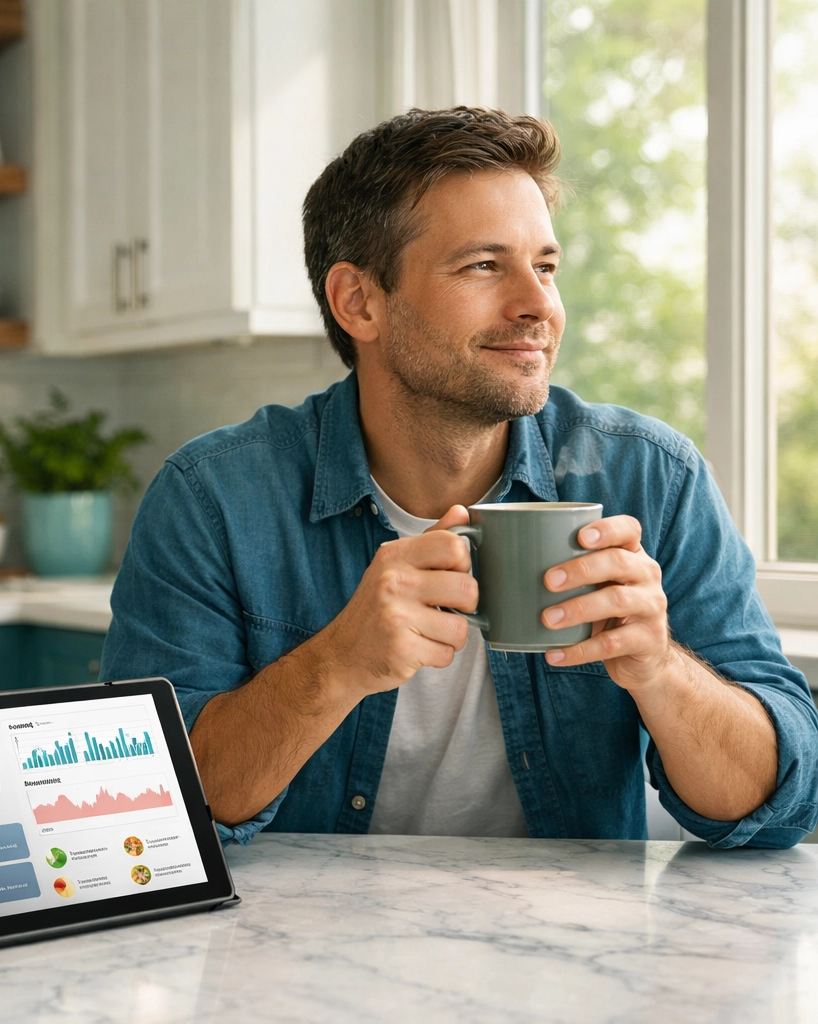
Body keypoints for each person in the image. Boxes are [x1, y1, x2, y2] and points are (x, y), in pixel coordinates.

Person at [101, 107, 818, 848]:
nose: (539, 305)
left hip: (574, 949)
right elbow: (152, 806)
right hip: (293, 948)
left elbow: (785, 808)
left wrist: (660, 670)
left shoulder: (651, 478)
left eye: (544, 266)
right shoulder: (213, 497)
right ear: (359, 301)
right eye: (483, 265)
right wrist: (338, 663)